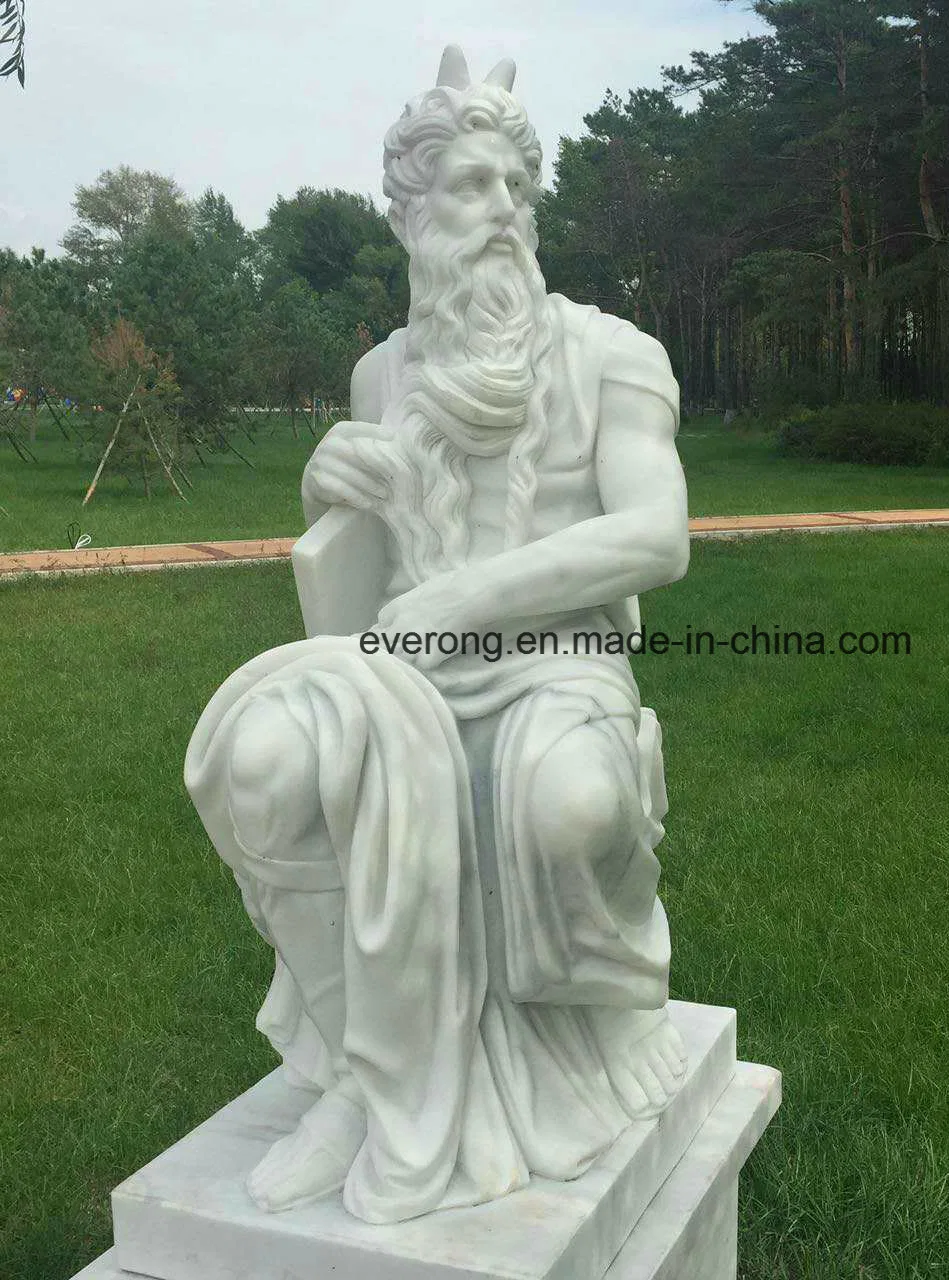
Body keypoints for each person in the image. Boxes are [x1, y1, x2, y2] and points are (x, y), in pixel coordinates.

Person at [184, 46, 690, 1225]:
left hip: (558, 664)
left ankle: (591, 1031)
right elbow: (366, 590)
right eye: (470, 186)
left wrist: (470, 599)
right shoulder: (381, 375)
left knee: (560, 803)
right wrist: (329, 496)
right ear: (410, 214)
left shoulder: (612, 353)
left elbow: (656, 537)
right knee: (259, 767)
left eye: (515, 184)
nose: (502, 211)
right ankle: (368, 1077)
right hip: (397, 671)